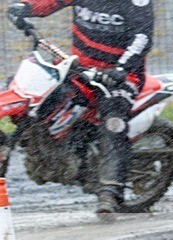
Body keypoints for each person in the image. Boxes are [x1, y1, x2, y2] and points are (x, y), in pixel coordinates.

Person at [7, 0, 154, 217]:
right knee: (28, 91)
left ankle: (110, 191)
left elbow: (143, 36)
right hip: (78, 65)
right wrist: (26, 7)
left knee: (114, 123)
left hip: (121, 75)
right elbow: (51, 2)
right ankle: (42, 145)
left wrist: (121, 69)